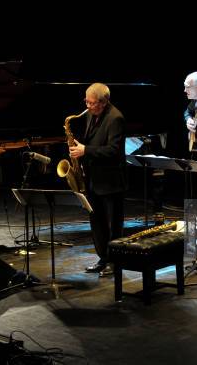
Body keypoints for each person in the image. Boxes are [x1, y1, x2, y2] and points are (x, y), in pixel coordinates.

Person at [69, 83, 126, 277]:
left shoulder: (116, 118)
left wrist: (86, 150)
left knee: (113, 225)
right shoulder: (90, 114)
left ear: (103, 102)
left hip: (111, 181)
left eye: (91, 103)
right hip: (93, 179)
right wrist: (80, 153)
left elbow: (113, 150)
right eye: (86, 101)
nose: (87, 105)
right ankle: (103, 258)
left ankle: (115, 262)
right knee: (97, 222)